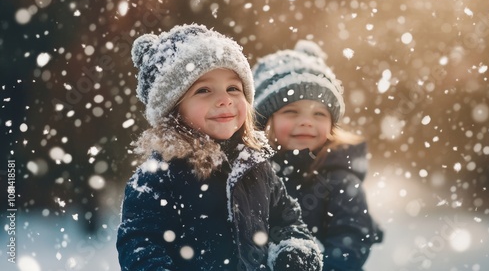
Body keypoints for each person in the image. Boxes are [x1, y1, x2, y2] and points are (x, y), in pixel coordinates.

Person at [116, 24, 323, 271]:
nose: (224, 99)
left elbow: (288, 221)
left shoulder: (255, 166)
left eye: (233, 88)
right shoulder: (158, 177)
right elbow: (140, 244)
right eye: (203, 90)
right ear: (173, 109)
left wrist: (294, 252)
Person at [252, 40, 383, 271]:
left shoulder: (341, 179)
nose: (306, 122)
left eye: (319, 114)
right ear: (264, 121)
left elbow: (351, 240)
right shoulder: (250, 173)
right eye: (291, 111)